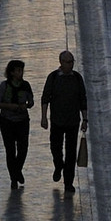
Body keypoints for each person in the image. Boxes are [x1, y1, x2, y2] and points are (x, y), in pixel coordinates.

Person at [41, 50, 87, 190]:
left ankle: (68, 182)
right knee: (55, 147)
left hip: (73, 121)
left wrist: (85, 119)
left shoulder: (77, 78)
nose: (71, 65)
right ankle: (58, 165)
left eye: (72, 61)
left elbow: (82, 99)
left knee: (71, 152)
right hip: (57, 120)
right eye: (68, 62)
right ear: (61, 62)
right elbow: (45, 97)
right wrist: (44, 117)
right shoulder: (53, 77)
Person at [0, 59, 34, 189]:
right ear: (11, 72)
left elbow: (31, 101)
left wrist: (26, 105)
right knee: (10, 150)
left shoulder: (26, 85)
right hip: (7, 121)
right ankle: (13, 178)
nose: (20, 73)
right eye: (18, 70)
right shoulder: (4, 86)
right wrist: (11, 106)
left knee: (23, 149)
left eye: (21, 70)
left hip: (22, 121)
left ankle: (17, 171)